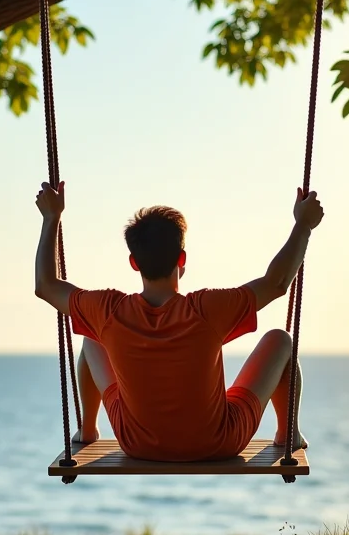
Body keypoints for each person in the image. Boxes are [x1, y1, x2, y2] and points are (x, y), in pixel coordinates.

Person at [33, 181, 324, 462]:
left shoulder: (108, 310)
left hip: (137, 443)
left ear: (134, 262)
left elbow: (46, 286)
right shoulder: (206, 309)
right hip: (218, 443)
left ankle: (87, 430)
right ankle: (288, 433)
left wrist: (51, 217)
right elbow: (276, 283)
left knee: (92, 336)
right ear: (181, 259)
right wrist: (303, 225)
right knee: (280, 340)